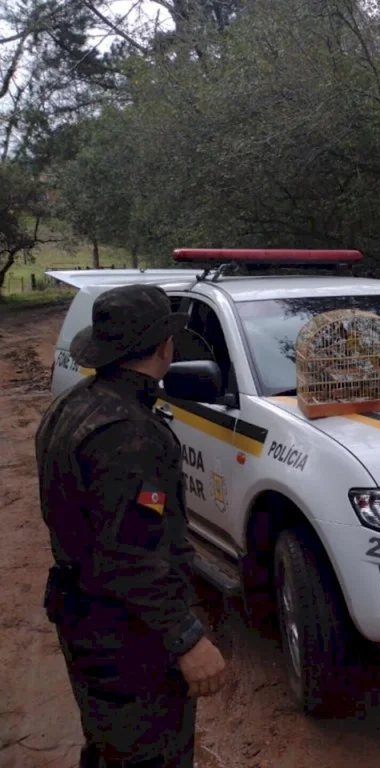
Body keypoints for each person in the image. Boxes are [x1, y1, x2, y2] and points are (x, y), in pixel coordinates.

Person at [35, 283, 227, 767]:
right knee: (150, 751)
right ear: (164, 347)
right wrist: (186, 639)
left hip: (85, 616)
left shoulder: (74, 405)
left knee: (109, 743)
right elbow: (131, 557)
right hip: (124, 635)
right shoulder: (129, 434)